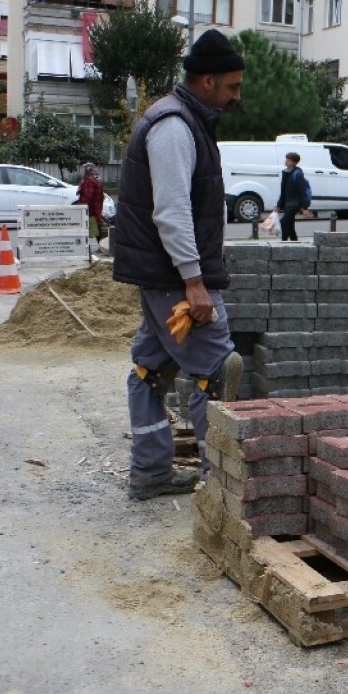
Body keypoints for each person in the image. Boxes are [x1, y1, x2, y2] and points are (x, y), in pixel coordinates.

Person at [111, 29, 246, 501]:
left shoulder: (185, 120)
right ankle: (220, 485)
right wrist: (194, 281)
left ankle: (150, 475)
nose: (236, 96)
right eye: (232, 86)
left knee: (149, 370)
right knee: (217, 370)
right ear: (207, 81)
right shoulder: (174, 126)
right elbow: (170, 210)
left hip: (160, 274)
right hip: (173, 278)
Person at [274, 152, 310, 241]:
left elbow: (303, 191)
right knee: (290, 226)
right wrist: (279, 205)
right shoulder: (286, 173)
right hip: (287, 203)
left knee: (283, 222)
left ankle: (283, 243)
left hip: (295, 204)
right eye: (286, 159)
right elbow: (283, 191)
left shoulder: (297, 174)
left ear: (294, 162)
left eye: (289, 160)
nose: (286, 162)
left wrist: (305, 207)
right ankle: (295, 242)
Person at [74, 162, 106, 252]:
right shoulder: (97, 180)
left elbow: (88, 196)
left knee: (87, 229)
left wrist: (80, 207)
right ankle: (102, 247)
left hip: (90, 211)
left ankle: (85, 249)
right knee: (96, 228)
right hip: (96, 209)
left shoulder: (89, 181)